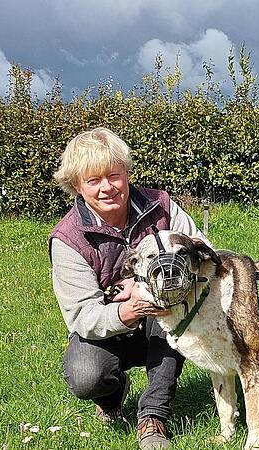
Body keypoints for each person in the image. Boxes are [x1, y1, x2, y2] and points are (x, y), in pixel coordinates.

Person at [49, 127, 208, 450]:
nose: (107, 187)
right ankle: (111, 396)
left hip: (163, 316)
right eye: (94, 180)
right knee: (85, 375)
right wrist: (129, 307)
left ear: (127, 173)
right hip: (108, 326)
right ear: (77, 186)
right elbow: (82, 316)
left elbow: (202, 252)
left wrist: (143, 289)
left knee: (169, 312)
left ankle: (153, 416)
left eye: (114, 175)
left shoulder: (161, 206)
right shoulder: (67, 239)